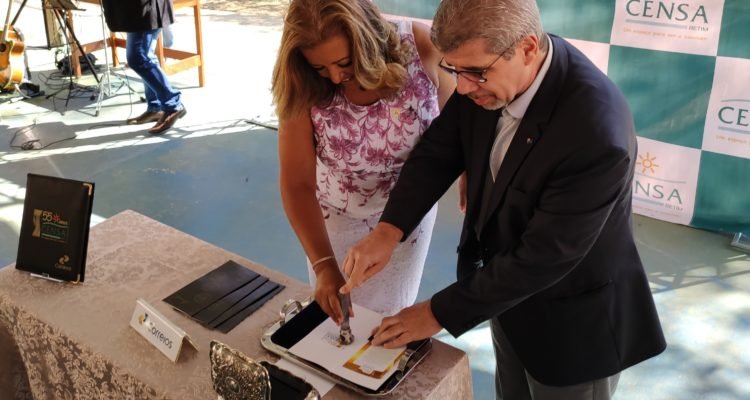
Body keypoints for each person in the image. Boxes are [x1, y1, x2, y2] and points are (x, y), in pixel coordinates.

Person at [340, 0, 667, 398]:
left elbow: (544, 256)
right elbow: (438, 151)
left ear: (528, 48)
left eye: (475, 73)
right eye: (453, 70)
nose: (462, 88)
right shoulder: (489, 71)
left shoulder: (595, 132)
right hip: (504, 299)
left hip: (572, 327)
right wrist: (388, 230)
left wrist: (435, 313)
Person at [271, 0, 454, 321]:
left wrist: (471, 171)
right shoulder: (302, 79)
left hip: (409, 212)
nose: (334, 76)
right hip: (337, 219)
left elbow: (458, 126)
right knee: (338, 317)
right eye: (320, 67)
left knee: (391, 316)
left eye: (344, 62)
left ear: (368, 41)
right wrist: (323, 264)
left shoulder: (421, 47)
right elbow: (296, 183)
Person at [101, 0, 186, 134]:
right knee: (145, 56)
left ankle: (173, 104)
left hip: (145, 9)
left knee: (138, 58)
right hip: (134, 10)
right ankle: (155, 107)